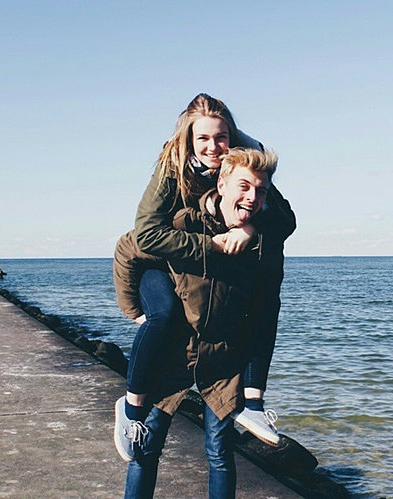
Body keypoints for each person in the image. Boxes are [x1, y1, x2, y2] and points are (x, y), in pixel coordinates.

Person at [114, 93, 296, 455]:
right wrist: (210, 245)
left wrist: (250, 230)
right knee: (164, 315)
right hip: (159, 260)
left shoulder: (242, 166)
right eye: (203, 138)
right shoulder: (173, 166)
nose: (213, 147)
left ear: (233, 137)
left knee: (267, 292)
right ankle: (131, 407)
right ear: (189, 139)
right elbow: (141, 238)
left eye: (221, 137)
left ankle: (254, 401)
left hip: (197, 269)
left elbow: (284, 220)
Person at [115, 147, 279, 498]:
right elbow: (128, 249)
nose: (252, 198)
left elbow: (266, 313)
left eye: (261, 191)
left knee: (220, 454)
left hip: (222, 362)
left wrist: (254, 392)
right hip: (173, 356)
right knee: (146, 448)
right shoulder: (184, 224)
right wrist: (136, 312)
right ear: (221, 184)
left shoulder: (263, 243)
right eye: (244, 186)